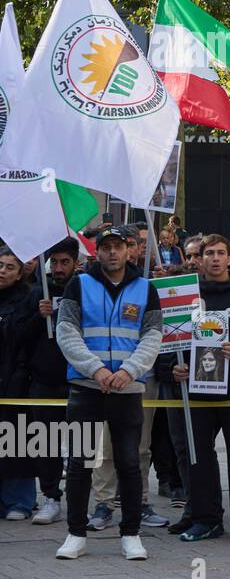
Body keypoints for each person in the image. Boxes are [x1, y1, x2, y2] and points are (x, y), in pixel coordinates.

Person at [53, 228, 163, 560]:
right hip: (87, 387)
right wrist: (96, 369)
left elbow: (153, 334)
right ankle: (76, 534)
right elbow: (66, 331)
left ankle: (130, 534)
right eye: (106, 247)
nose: (112, 252)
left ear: (129, 251)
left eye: (118, 246)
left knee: (129, 463)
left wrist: (129, 370)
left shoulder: (146, 289)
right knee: (79, 464)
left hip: (127, 388)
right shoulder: (79, 284)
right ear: (96, 253)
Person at [171, 235, 230, 544]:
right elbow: (170, 340)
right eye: (209, 253)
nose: (214, 259)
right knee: (199, 458)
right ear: (200, 257)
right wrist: (173, 367)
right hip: (196, 391)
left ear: (229, 257)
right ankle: (206, 519)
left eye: (221, 253)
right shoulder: (187, 296)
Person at [23, 239, 81, 525]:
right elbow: (20, 337)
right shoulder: (37, 292)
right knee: (46, 443)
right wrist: (38, 315)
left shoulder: (84, 290)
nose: (58, 268)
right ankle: (51, 497)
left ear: (75, 263)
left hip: (79, 379)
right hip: (45, 379)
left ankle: (83, 500)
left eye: (64, 262)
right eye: (54, 263)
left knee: (83, 444)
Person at [0, 247, 35, 521]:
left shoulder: (28, 298)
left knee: (17, 441)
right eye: (0, 265)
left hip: (16, 378)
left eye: (10, 267)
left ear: (21, 272)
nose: (3, 271)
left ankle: (19, 501)